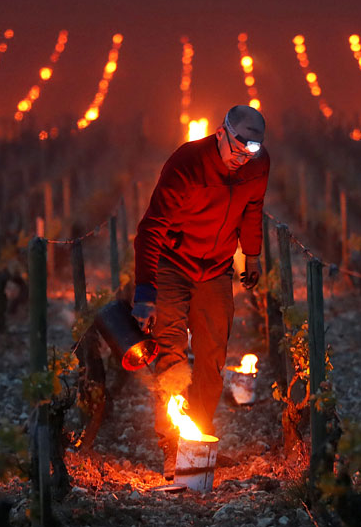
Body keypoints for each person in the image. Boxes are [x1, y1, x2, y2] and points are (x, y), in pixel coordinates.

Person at [131, 104, 270, 478]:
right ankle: (171, 445)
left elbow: (253, 209)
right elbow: (150, 228)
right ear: (221, 133)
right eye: (237, 149)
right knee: (171, 352)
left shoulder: (257, 165)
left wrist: (252, 257)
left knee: (212, 355)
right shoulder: (187, 163)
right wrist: (145, 290)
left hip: (217, 268)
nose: (242, 159)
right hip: (172, 264)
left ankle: (198, 439)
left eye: (252, 151)